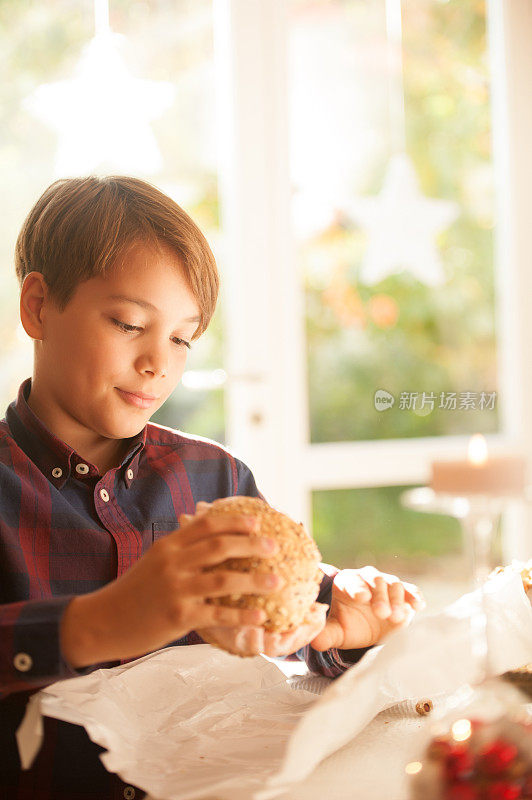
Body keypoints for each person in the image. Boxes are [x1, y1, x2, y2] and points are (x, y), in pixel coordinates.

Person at [0, 176, 424, 799]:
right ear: (38, 306)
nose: (159, 362)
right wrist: (97, 624)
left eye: (181, 338)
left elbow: (278, 616)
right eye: (127, 323)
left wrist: (336, 634)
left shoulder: (215, 478)